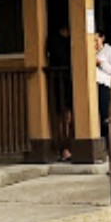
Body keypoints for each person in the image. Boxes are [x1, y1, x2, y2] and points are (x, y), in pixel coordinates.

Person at [46, 26, 73, 161]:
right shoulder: (57, 42)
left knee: (66, 117)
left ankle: (66, 147)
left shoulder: (66, 42)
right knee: (64, 117)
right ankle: (64, 148)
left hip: (67, 83)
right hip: (61, 83)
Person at [94, 31, 111, 145]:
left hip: (103, 84)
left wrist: (100, 63)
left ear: (102, 38)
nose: (95, 43)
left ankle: (107, 144)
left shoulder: (109, 51)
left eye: (96, 40)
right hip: (91, 86)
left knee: (104, 114)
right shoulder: (90, 51)